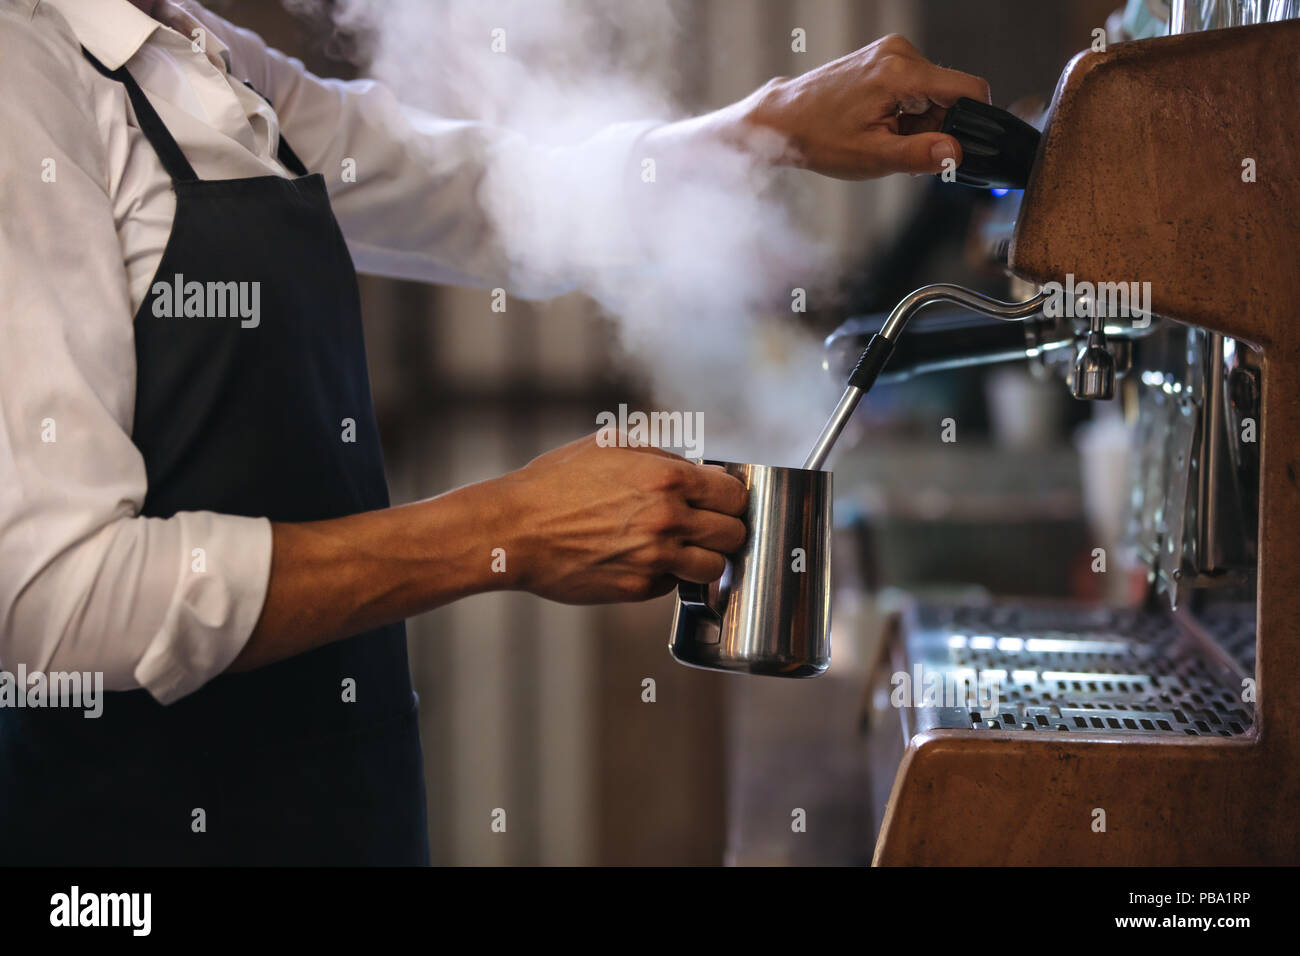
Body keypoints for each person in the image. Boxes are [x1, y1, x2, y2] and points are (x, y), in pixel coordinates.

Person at [0, 0, 991, 864]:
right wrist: (505, 528)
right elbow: (57, 601)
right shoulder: (22, 79)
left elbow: (481, 196)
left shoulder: (190, 51)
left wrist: (765, 126)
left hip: (333, 801)